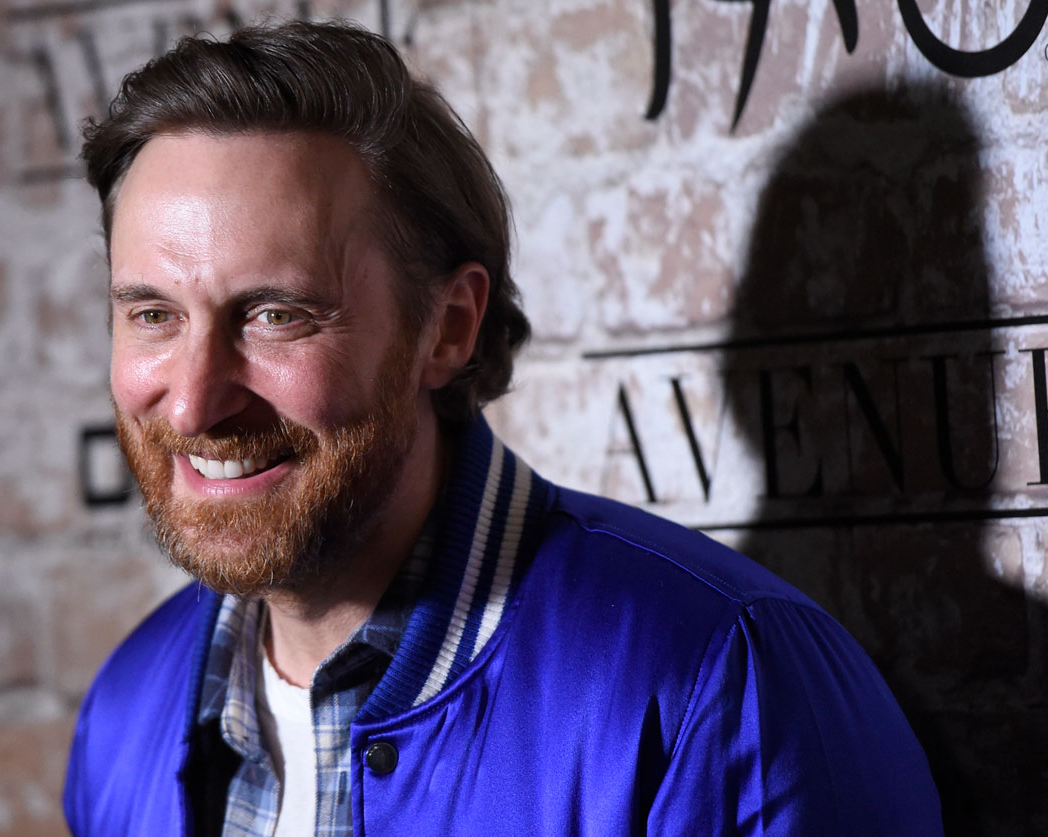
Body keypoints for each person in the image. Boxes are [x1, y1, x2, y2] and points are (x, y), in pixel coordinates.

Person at [63, 19, 941, 836]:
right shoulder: (127, 710)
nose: (193, 402)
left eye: (276, 315)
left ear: (448, 326)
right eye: (153, 315)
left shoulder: (720, 690)